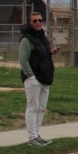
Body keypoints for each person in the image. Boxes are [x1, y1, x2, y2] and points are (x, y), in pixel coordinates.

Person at [18, 11, 58, 146]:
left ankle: (37, 134)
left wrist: (50, 52)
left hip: (45, 77)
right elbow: (23, 59)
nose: (38, 23)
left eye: (40, 20)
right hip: (33, 79)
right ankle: (32, 137)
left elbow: (42, 54)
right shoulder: (26, 39)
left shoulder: (42, 37)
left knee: (41, 108)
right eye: (34, 21)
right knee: (32, 107)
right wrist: (31, 76)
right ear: (30, 22)